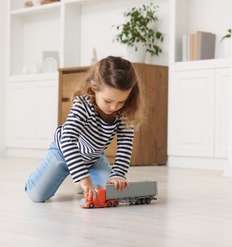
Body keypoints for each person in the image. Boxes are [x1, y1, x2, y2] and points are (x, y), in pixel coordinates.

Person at [25, 56, 144, 203]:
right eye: (107, 100)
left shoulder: (125, 111)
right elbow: (68, 139)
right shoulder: (83, 105)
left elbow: (125, 145)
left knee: (109, 192)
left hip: (93, 158)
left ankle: (82, 181)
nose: (114, 107)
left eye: (121, 101)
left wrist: (118, 175)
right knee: (37, 196)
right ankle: (38, 179)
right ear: (94, 88)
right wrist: (83, 178)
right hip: (63, 152)